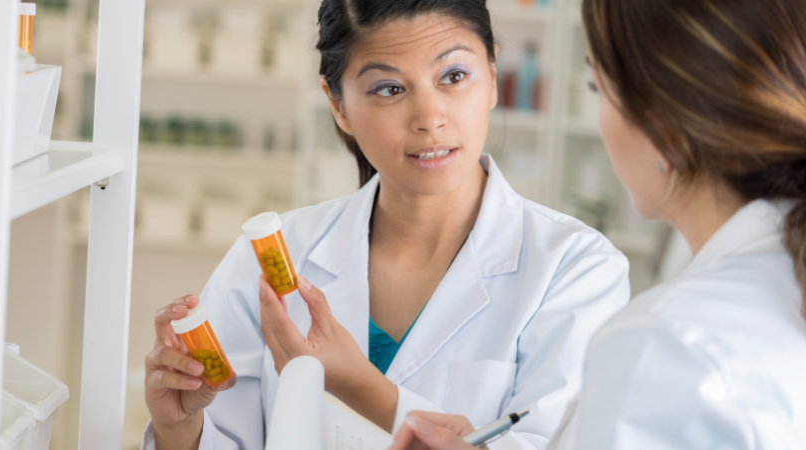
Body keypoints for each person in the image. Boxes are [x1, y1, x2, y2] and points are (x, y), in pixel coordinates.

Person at [141, 1, 631, 449]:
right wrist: (179, 428)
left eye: (454, 76)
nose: (429, 117)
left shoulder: (575, 269)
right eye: (389, 89)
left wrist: (361, 386)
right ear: (338, 105)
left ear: (494, 75)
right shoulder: (275, 254)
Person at [388, 0, 806, 448]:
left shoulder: (667, 344)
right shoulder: (770, 288)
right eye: (391, 88)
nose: (430, 120)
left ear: (662, 127)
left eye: (597, 87)